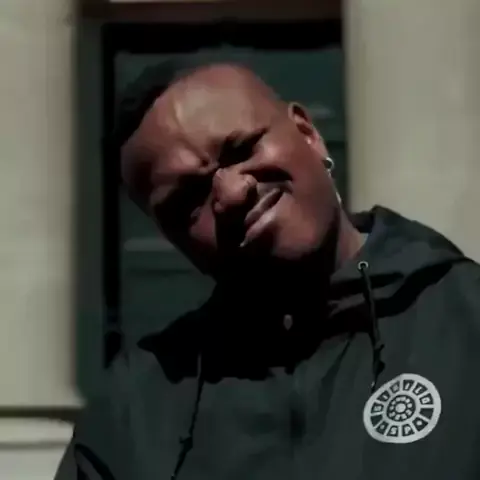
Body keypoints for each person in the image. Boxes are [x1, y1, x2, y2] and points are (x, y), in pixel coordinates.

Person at [55, 58, 480, 480]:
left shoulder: (467, 320)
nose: (233, 192)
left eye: (242, 149)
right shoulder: (131, 415)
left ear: (308, 134)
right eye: (188, 197)